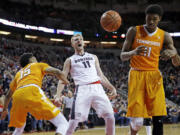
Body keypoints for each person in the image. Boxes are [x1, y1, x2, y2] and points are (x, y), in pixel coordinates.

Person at [120, 4, 179, 135]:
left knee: (158, 116)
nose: (151, 21)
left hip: (153, 75)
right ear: (145, 17)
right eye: (149, 18)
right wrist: (133, 52)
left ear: (159, 19)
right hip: (136, 73)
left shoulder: (165, 35)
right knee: (137, 122)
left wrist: (174, 54)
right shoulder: (134, 31)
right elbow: (122, 56)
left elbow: (176, 63)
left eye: (155, 19)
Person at [55, 34, 117, 135]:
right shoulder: (70, 60)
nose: (79, 41)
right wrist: (58, 95)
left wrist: (112, 88)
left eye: (80, 39)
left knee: (110, 116)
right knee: (74, 120)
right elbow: (62, 79)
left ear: (84, 42)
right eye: (76, 40)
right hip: (82, 89)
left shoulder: (93, 57)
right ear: (72, 44)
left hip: (97, 87)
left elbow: (101, 76)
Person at [0, 53, 69, 135]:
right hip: (32, 90)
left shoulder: (18, 74)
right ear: (31, 59)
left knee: (20, 128)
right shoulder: (38, 65)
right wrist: (66, 81)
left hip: (17, 95)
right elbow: (57, 71)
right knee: (63, 123)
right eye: (35, 58)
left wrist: (4, 110)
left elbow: (8, 95)